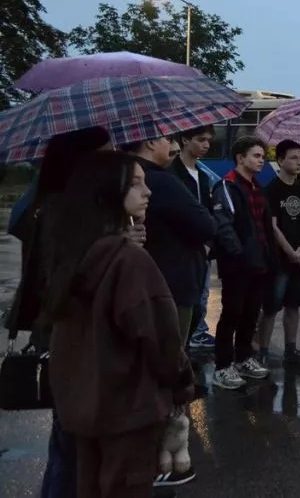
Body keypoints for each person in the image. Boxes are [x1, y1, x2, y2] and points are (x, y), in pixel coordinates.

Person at [45, 151, 193, 498]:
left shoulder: (73, 253)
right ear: (109, 192)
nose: (148, 191)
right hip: (130, 412)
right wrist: (182, 387)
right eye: (135, 184)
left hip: (83, 408)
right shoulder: (129, 262)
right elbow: (162, 341)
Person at [5, 127, 114, 498]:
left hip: (63, 334)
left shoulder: (49, 199)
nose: (115, 156)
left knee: (68, 439)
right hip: (71, 337)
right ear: (84, 160)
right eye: (107, 151)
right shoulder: (68, 209)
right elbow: (66, 283)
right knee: (73, 443)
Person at [124, 135, 217, 354]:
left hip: (146, 282)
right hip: (172, 282)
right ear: (150, 143)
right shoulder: (161, 180)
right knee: (170, 357)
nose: (146, 191)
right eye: (165, 138)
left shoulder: (126, 174)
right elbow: (206, 225)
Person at [210, 137, 275, 389]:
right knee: (231, 314)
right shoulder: (227, 186)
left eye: (263, 157)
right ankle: (222, 366)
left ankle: (244, 358)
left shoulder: (257, 187)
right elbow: (224, 225)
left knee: (251, 314)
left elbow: (264, 226)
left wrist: (268, 258)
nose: (261, 161)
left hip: (260, 264)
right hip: (238, 266)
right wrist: (239, 254)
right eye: (256, 156)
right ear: (240, 158)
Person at [257, 139, 300, 366]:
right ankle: (262, 351)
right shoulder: (271, 189)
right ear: (280, 160)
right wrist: (290, 250)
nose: (298, 162)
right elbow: (272, 226)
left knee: (294, 305)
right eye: (293, 158)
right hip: (278, 258)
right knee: (271, 307)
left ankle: (291, 350)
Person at [168, 125, 217, 351]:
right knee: (182, 305)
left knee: (200, 302)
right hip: (180, 251)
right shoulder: (172, 173)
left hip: (202, 251)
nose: (206, 145)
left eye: (209, 141)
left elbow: (208, 213)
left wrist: (208, 243)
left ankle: (186, 348)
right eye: (200, 139)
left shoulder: (204, 176)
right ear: (185, 140)